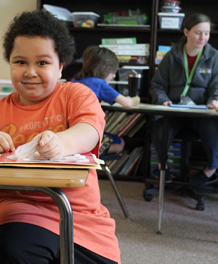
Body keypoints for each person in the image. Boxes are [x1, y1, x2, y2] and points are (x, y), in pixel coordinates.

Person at [0, 10, 120, 264]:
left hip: (79, 216)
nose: (30, 72)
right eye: (20, 62)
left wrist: (61, 142)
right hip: (16, 213)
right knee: (13, 252)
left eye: (42, 63)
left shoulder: (76, 95)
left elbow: (90, 130)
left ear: (60, 66)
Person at [150, 13, 218, 185]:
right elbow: (157, 85)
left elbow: (217, 86)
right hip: (175, 110)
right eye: (198, 32)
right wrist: (163, 99)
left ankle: (211, 169)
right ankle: (163, 168)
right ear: (186, 32)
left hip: (202, 111)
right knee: (160, 129)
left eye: (207, 33)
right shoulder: (171, 56)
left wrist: (215, 100)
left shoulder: (215, 57)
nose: (203, 38)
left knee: (213, 130)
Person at [72, 45, 140, 155]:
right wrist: (136, 99)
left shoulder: (75, 80)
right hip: (89, 132)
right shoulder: (99, 84)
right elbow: (127, 103)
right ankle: (93, 151)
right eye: (113, 71)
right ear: (104, 69)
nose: (113, 76)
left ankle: (86, 149)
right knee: (120, 143)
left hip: (72, 132)